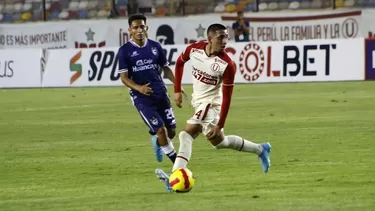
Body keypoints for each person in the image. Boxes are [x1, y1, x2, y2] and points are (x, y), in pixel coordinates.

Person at [155, 23, 271, 192]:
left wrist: (220, 124)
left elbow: (228, 98)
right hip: (198, 102)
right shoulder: (194, 50)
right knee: (219, 142)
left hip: (211, 105)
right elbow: (179, 63)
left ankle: (174, 177)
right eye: (221, 37)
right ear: (209, 39)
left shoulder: (227, 64)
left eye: (226, 37)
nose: (225, 41)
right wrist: (177, 89)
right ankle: (261, 149)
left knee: (185, 135)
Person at [118, 14, 183, 164]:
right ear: (130, 30)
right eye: (135, 27)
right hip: (141, 98)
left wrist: (177, 85)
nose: (139, 30)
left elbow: (165, 69)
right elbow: (124, 78)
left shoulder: (155, 46)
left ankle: (158, 142)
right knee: (161, 131)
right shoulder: (125, 51)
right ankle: (178, 165)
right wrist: (139, 88)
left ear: (146, 28)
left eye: (142, 27)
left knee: (171, 132)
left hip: (160, 93)